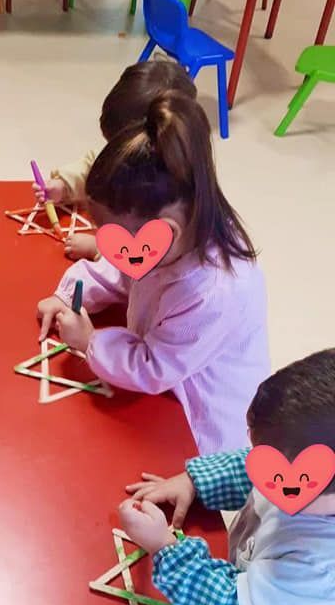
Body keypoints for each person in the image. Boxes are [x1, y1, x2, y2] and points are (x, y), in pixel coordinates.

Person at [37, 91, 269, 455]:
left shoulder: (214, 292)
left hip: (195, 415)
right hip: (163, 381)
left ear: (165, 231)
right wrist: (69, 292)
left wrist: (89, 342)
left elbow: (154, 366)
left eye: (118, 239)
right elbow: (121, 272)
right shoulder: (169, 237)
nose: (109, 248)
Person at [120, 348, 335, 605]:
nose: (267, 478)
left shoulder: (320, 570)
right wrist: (193, 481)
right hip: (253, 585)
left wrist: (164, 549)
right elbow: (251, 469)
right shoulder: (301, 470)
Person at [32, 60, 197, 261]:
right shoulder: (147, 156)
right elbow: (94, 164)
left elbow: (146, 259)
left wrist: (99, 248)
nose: (111, 153)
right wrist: (64, 185)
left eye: (117, 146)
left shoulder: (168, 194)